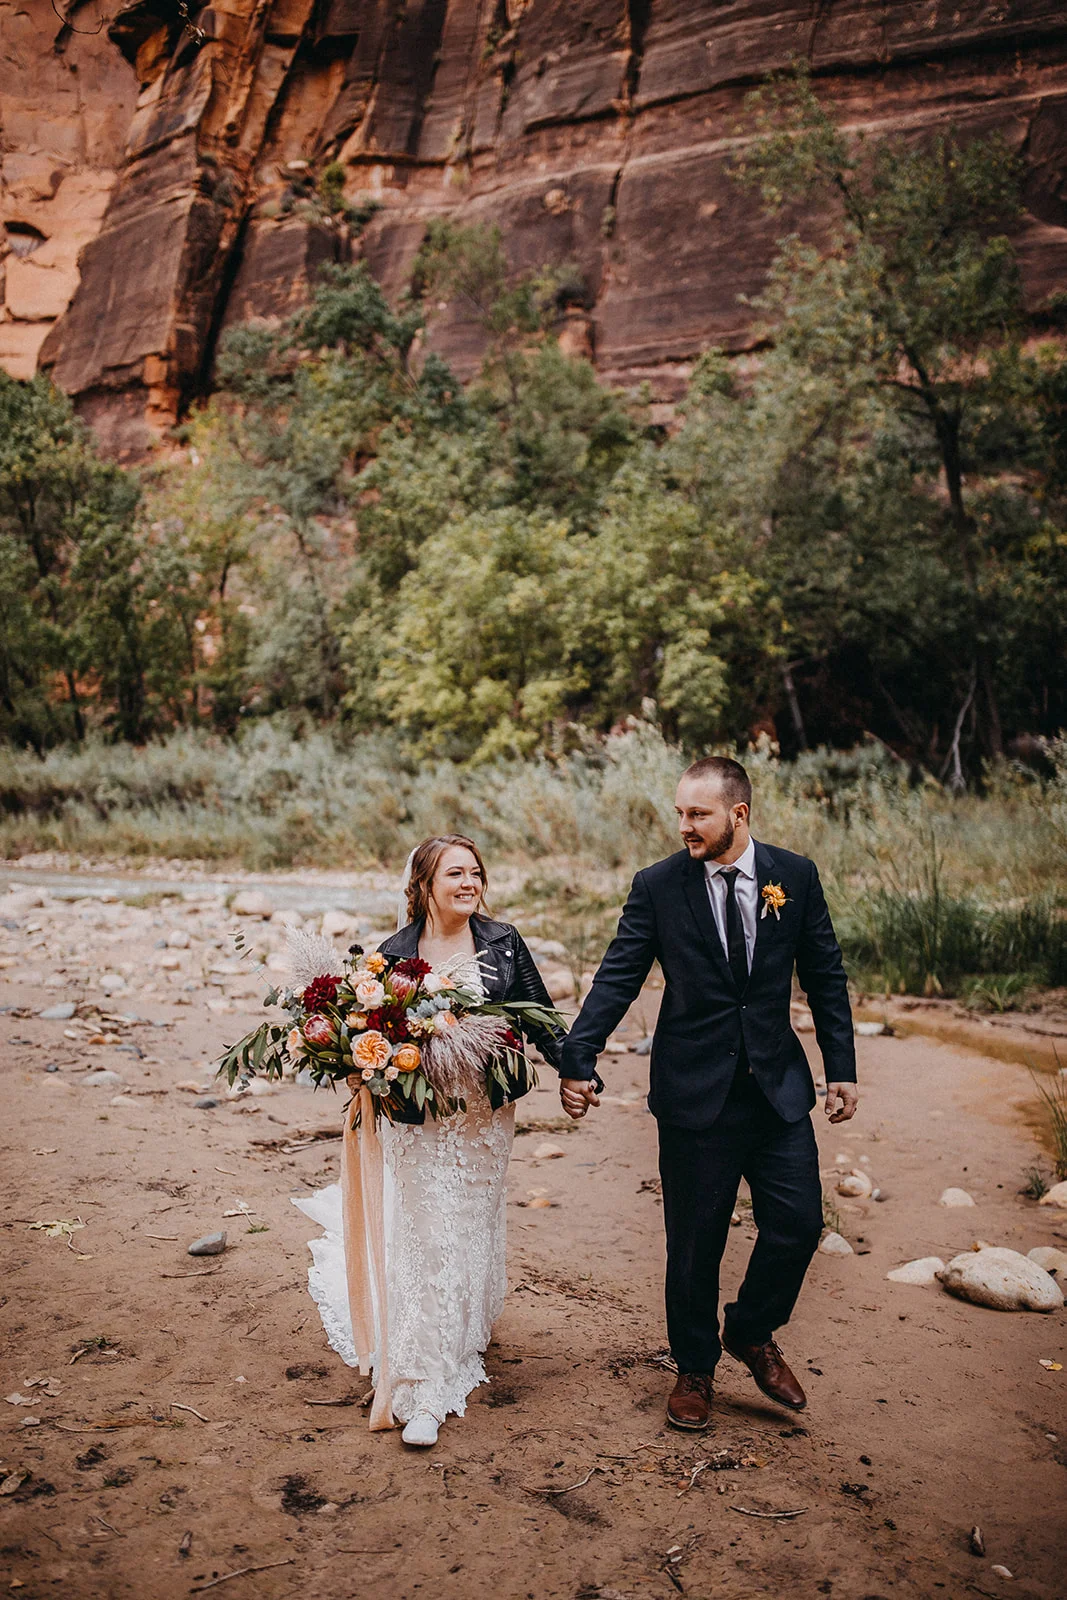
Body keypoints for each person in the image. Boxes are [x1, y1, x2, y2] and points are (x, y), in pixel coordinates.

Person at [558, 756, 858, 1432]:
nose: (685, 826)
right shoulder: (659, 887)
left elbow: (825, 974)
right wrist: (579, 1056)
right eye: (680, 814)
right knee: (693, 1243)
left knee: (798, 1224)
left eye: (698, 814)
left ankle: (750, 1331)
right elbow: (617, 977)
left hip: (776, 1090)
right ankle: (693, 1368)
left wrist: (840, 1065)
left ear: (738, 814)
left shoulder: (794, 876)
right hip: (695, 1094)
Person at [295, 835, 567, 1448]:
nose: (469, 883)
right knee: (425, 1235)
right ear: (425, 885)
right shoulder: (391, 956)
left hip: (483, 1121)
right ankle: (423, 1386)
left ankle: (464, 1327)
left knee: (469, 1225)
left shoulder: (504, 942)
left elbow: (539, 1017)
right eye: (455, 874)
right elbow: (372, 1037)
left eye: (475, 872)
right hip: (417, 1121)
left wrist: (578, 1070)